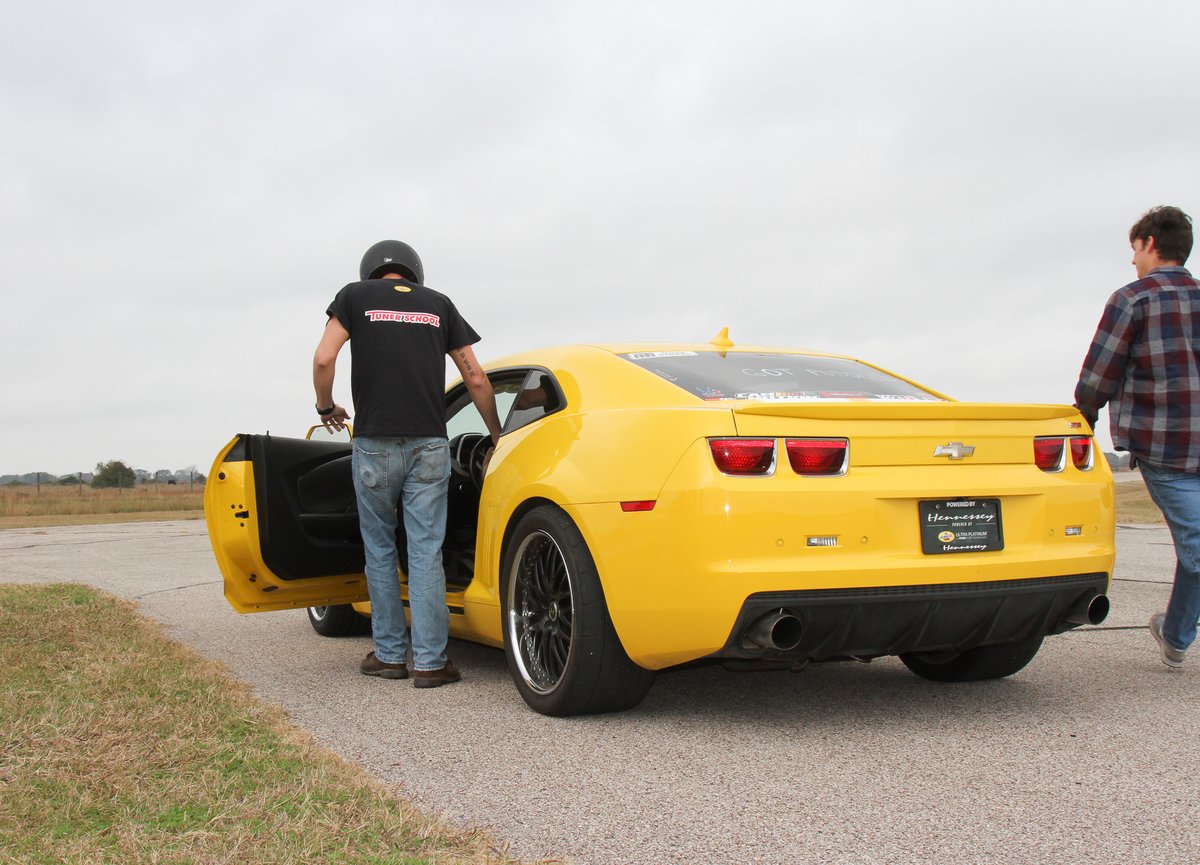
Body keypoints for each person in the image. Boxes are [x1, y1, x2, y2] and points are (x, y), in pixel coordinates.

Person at [313, 239, 501, 688]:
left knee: (379, 550)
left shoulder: (355, 297)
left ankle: (390, 656)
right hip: (430, 446)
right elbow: (474, 377)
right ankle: (433, 663)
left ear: (370, 271)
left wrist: (326, 408)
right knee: (425, 551)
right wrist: (496, 434)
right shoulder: (439, 305)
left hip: (375, 443)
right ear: (413, 272)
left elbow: (324, 357)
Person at [1074, 205, 1199, 669]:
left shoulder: (1133, 299)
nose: (1132, 260)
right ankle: (1177, 633)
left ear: (1149, 244)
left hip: (1166, 447)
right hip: (1176, 450)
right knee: (1197, 544)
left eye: (1134, 249)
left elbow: (1100, 370)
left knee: (1197, 547)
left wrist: (1084, 414)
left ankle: (1176, 633)